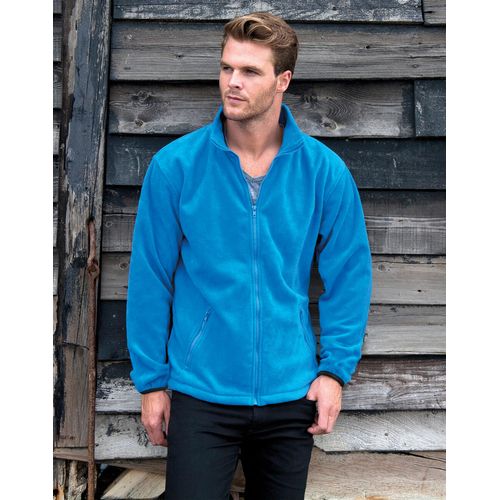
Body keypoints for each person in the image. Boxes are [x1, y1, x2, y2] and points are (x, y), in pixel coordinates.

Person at [126, 11, 372, 500]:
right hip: (202, 393)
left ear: (283, 80)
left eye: (250, 71)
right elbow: (150, 277)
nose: (232, 82)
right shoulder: (176, 167)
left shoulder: (324, 172)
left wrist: (334, 372)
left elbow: (350, 277)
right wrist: (151, 383)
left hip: (291, 393)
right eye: (227, 68)